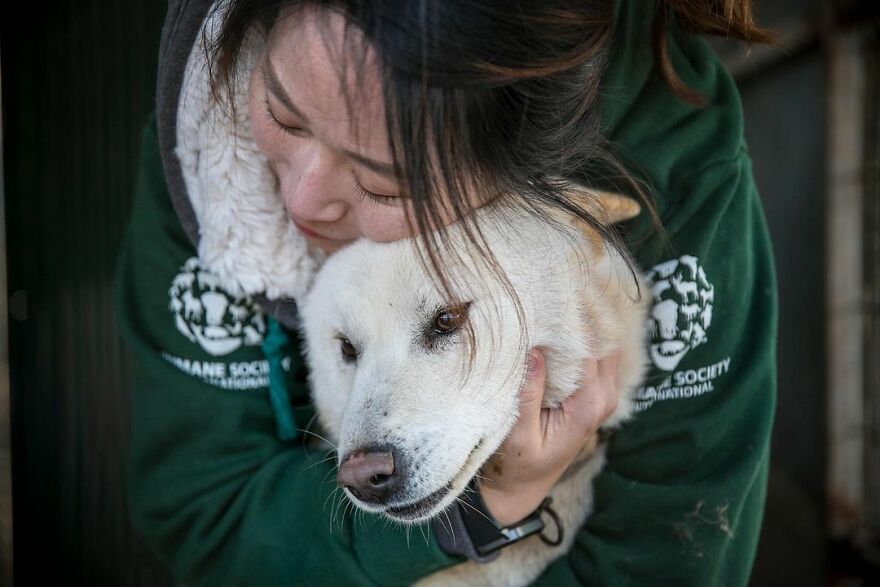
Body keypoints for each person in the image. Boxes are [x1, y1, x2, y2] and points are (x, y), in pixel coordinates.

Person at [114, 0, 778, 584]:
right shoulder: (208, 134)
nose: (301, 196)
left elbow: (672, 548)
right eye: (286, 118)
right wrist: (485, 505)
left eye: (380, 183)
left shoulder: (673, 150)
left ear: (514, 178)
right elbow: (208, 510)